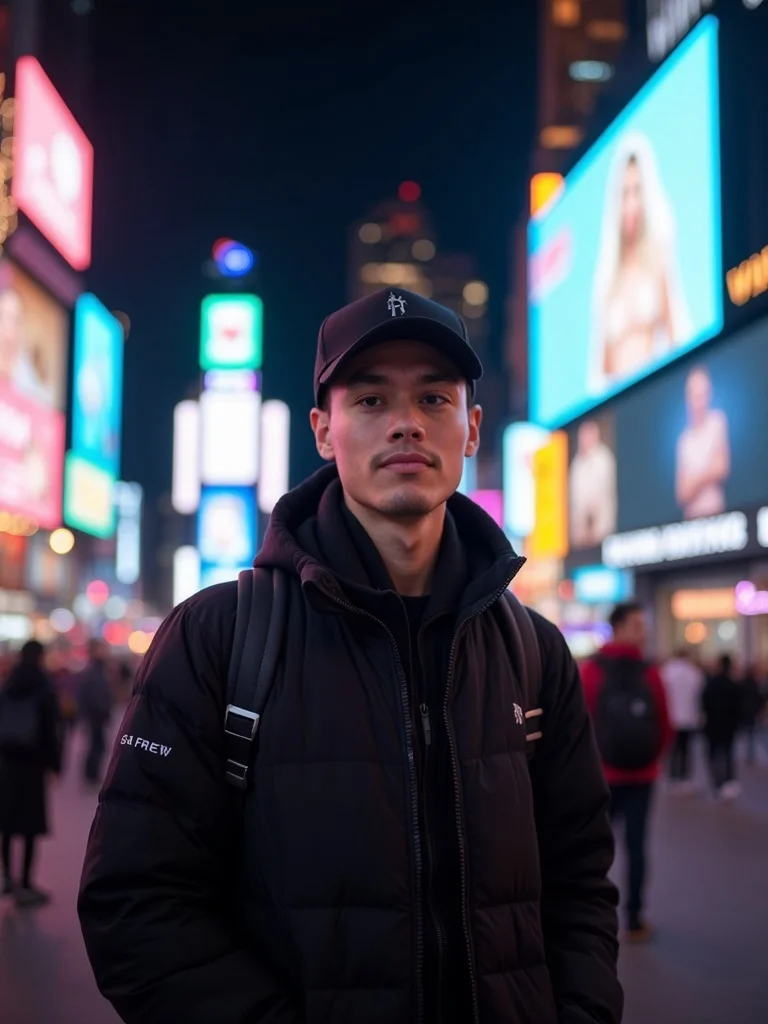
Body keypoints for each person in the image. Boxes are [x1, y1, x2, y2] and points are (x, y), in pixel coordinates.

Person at [78, 287, 623, 1024]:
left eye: (434, 398)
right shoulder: (219, 636)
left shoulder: (532, 650)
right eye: (369, 401)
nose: (405, 423)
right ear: (323, 430)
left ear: (471, 429)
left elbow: (580, 879)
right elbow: (135, 903)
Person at [581, 601, 671, 943]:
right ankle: (633, 918)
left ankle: (589, 917)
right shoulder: (649, 672)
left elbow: (580, 720)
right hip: (641, 777)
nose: (643, 632)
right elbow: (665, 723)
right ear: (617, 626)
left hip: (602, 774)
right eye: (637, 625)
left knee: (594, 850)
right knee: (636, 848)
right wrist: (653, 758)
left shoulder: (592, 670)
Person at [589, 131, 691, 396]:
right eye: (624, 193)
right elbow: (602, 368)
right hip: (618, 409)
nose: (630, 204)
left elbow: (675, 336)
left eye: (636, 191)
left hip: (655, 396)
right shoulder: (606, 279)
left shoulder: (657, 260)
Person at [0, 640, 61, 907]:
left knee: (7, 823)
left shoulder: (9, 684)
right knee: (30, 825)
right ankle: (25, 882)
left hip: (6, 762)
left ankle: (7, 879)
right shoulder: (43, 685)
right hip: (33, 765)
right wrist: (54, 764)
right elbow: (51, 728)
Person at [675, 366, 730, 521]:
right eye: (694, 395)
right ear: (688, 398)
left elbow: (720, 468)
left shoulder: (717, 422)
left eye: (702, 394)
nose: (698, 402)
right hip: (691, 521)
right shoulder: (684, 440)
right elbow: (682, 492)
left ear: (709, 395)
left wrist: (693, 480)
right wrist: (707, 472)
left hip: (716, 517)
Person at [660, 647, 705, 792]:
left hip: (672, 717)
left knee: (673, 749)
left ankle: (673, 776)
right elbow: (700, 693)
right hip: (689, 717)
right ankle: (685, 777)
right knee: (686, 749)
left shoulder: (668, 671)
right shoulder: (694, 672)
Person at [569, 418, 617, 549]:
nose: (584, 439)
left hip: (600, 532)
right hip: (580, 537)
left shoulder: (603, 458)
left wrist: (591, 526)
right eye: (582, 436)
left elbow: (600, 496)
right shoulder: (577, 462)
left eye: (588, 435)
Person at [701, 654, 742, 800]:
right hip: (728, 725)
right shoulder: (732, 684)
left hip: (713, 724)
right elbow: (738, 705)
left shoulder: (712, 684)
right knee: (728, 752)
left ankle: (718, 783)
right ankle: (728, 781)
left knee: (714, 754)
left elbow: (704, 702)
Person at [77, 638, 113, 786]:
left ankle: (92, 775)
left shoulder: (98, 669)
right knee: (96, 745)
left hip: (97, 715)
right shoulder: (93, 670)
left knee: (98, 745)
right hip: (95, 715)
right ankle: (90, 776)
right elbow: (93, 695)